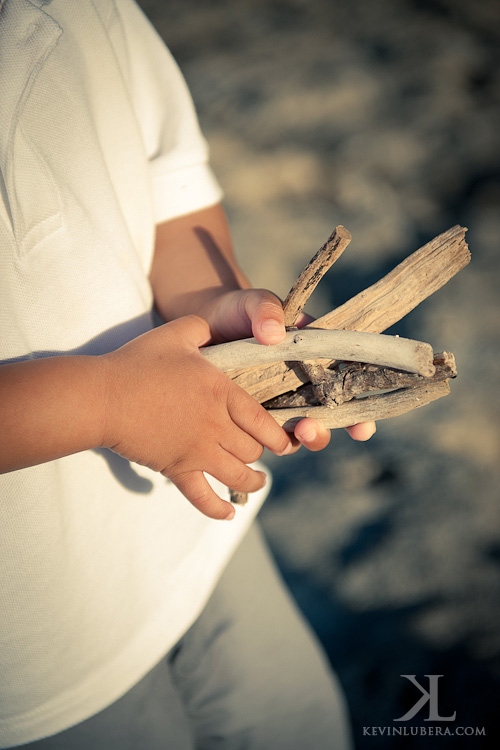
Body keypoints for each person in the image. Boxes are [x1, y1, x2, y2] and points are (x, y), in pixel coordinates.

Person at [0, 1, 375, 747]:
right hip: (42, 662)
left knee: (300, 724)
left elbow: (171, 212)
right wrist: (106, 403)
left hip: (196, 541)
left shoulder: (86, 13)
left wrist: (225, 311)